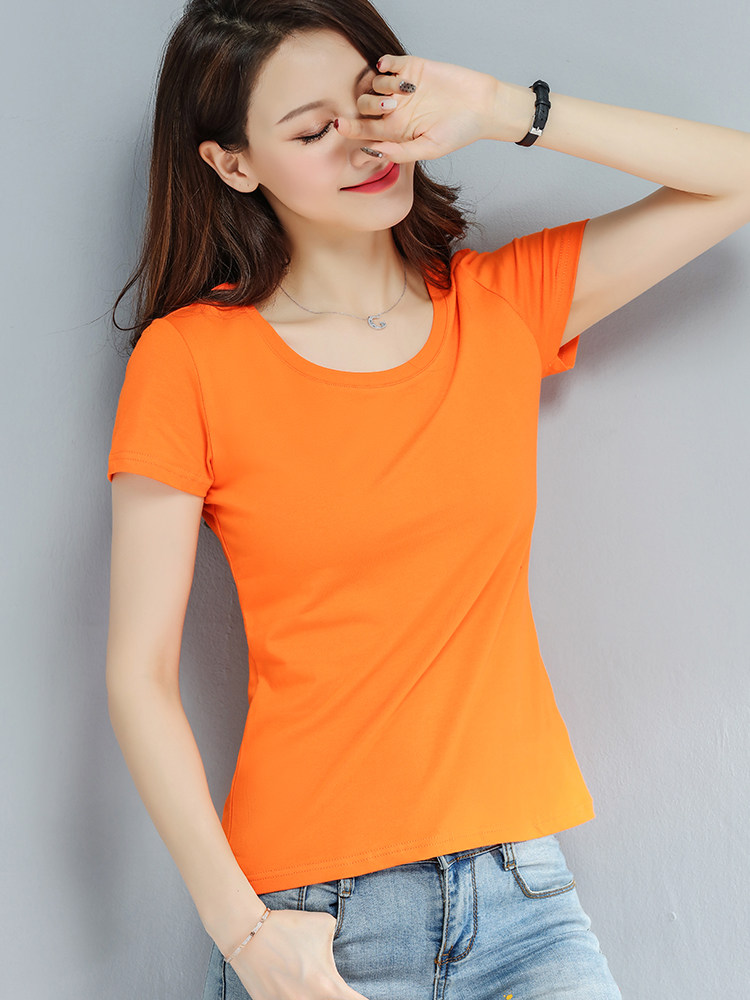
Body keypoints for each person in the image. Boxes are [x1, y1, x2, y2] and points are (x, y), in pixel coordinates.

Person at [104, 1, 750, 998]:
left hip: (524, 902)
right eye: (312, 132)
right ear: (233, 164)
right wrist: (246, 934)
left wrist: (499, 107)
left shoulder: (498, 307)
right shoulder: (187, 360)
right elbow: (138, 675)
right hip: (314, 922)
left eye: (372, 104)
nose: (364, 145)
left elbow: (736, 175)